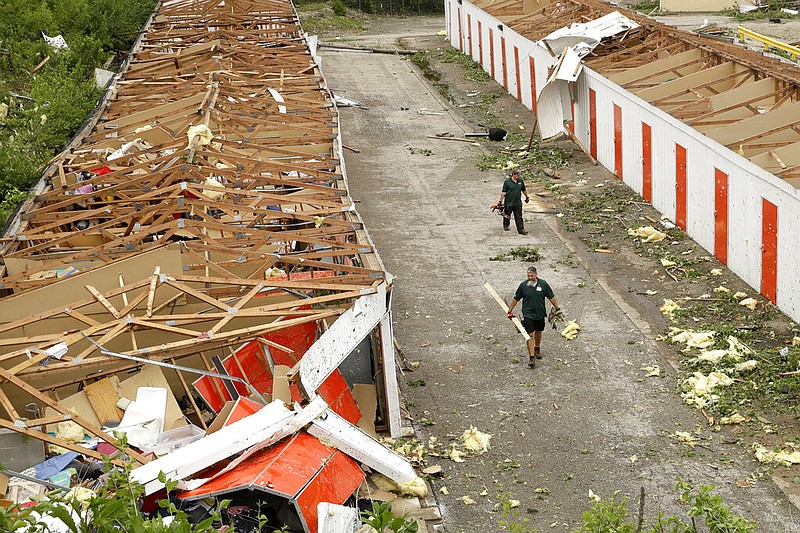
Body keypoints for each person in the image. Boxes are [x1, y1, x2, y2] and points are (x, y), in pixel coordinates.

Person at [506, 266, 560, 368]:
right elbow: (516, 298)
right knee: (529, 335)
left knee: (538, 331)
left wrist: (557, 308)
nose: (530, 277)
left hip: (540, 313)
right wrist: (509, 310)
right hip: (528, 314)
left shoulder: (543, 284)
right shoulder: (523, 286)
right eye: (528, 276)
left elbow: (551, 297)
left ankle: (537, 348)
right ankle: (531, 357)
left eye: (532, 275)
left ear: (536, 275)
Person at [497, 169, 530, 235]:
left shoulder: (520, 181)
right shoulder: (507, 182)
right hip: (509, 202)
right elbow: (503, 192)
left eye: (519, 175)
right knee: (507, 215)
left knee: (519, 216)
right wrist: (500, 201)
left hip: (517, 202)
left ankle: (521, 229)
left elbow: (523, 190)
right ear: (513, 175)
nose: (518, 176)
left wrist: (527, 197)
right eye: (517, 175)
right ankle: (506, 225)